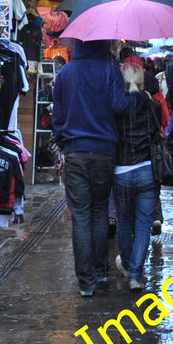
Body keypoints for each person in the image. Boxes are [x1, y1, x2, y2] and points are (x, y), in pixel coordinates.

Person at [52, 39, 135, 297]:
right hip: (104, 152)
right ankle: (100, 271)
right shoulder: (110, 69)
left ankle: (86, 282)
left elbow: (57, 116)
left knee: (81, 215)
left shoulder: (65, 72)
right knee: (100, 211)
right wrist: (139, 98)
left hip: (75, 152)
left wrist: (64, 141)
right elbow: (120, 106)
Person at [112, 57, 159, 291]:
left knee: (124, 223)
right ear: (142, 82)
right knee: (143, 226)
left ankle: (129, 266)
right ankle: (135, 276)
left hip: (121, 171)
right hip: (147, 170)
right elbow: (158, 132)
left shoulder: (116, 106)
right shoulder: (151, 105)